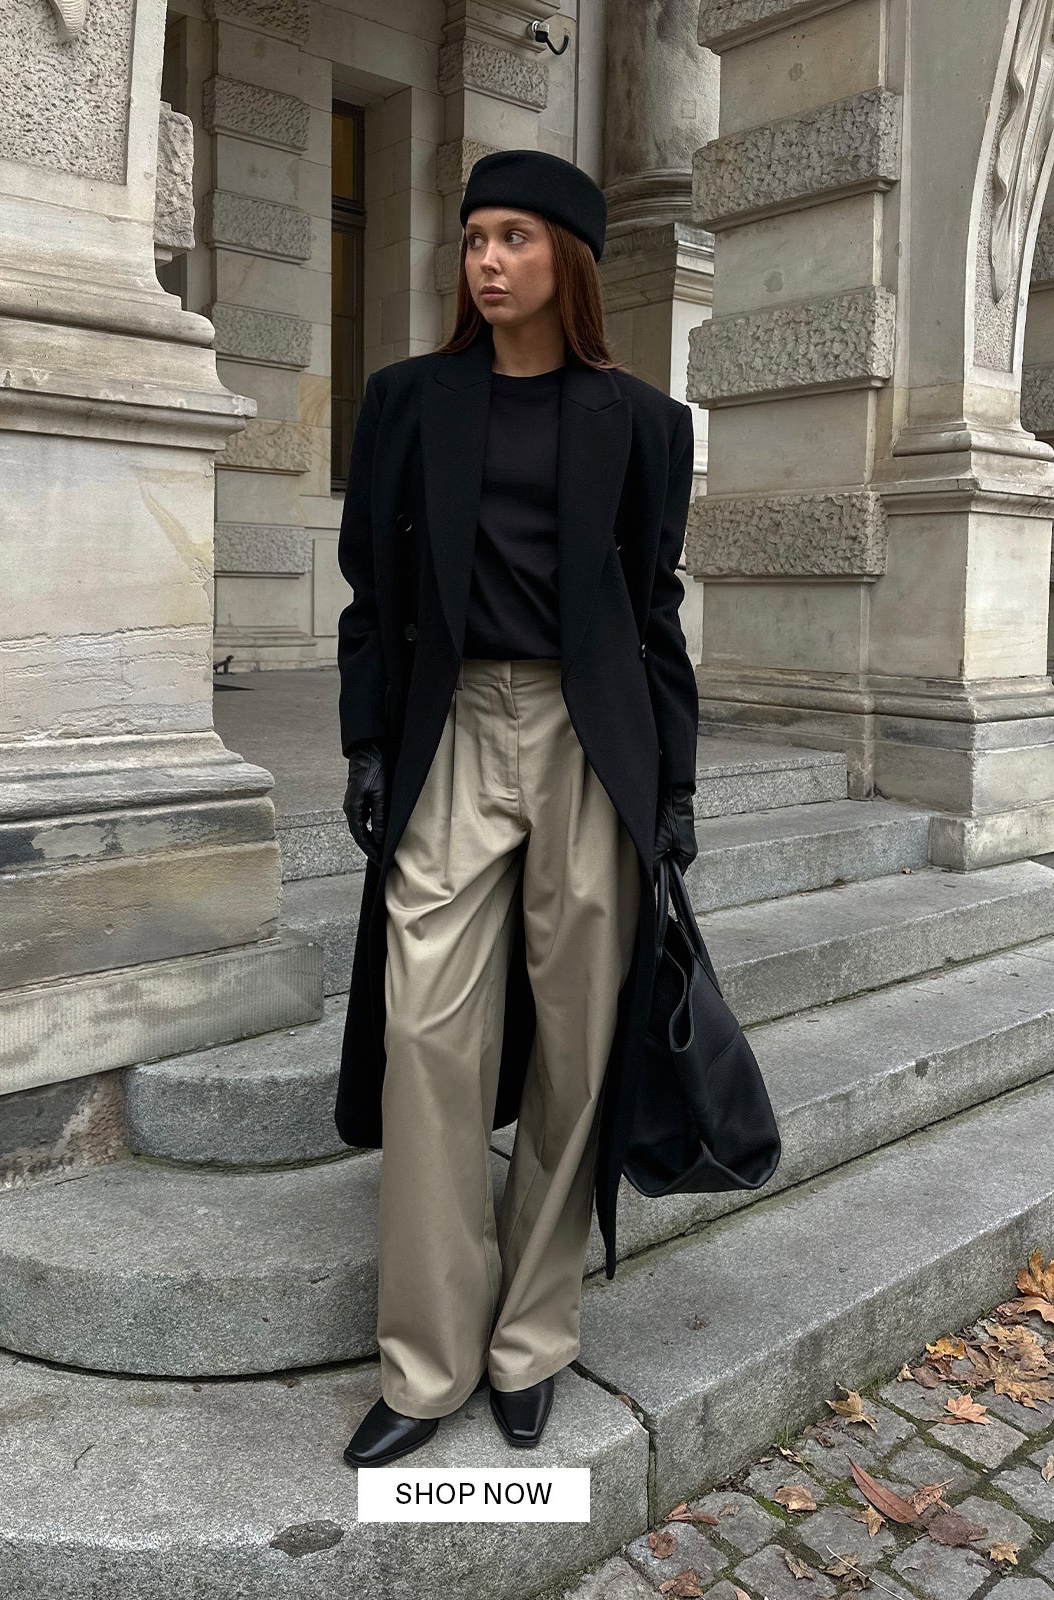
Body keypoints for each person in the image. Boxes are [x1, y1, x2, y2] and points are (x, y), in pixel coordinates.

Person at [334, 149, 699, 1469]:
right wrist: (367, 742)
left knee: (577, 1049)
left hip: (590, 744)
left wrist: (677, 786)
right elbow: (369, 593)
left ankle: (531, 1340)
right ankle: (425, 1365)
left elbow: (653, 616)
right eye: (475, 237)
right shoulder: (408, 401)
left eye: (515, 239)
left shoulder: (645, 422)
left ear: (569, 261)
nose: (487, 260)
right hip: (452, 735)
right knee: (426, 1034)